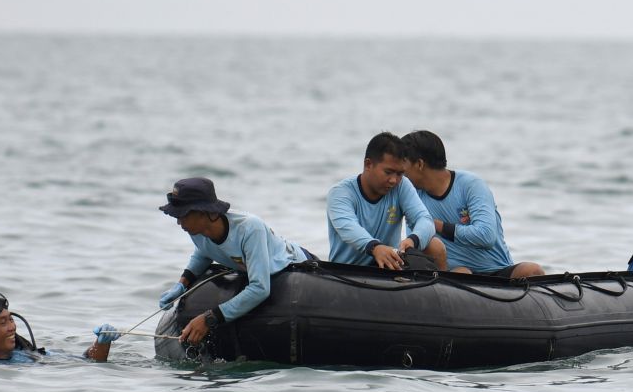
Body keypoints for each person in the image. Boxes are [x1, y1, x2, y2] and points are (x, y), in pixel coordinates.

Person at [158, 177, 313, 345]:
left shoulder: (249, 229)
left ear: (204, 212)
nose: (179, 221)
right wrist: (181, 284)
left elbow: (260, 289)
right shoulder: (196, 230)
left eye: (182, 215)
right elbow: (203, 252)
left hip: (297, 265)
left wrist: (208, 319)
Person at [400, 130, 545, 279]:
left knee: (533, 270)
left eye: (402, 166)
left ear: (419, 164)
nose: (399, 174)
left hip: (497, 271)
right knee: (462, 271)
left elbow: (486, 235)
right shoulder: (412, 196)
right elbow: (418, 244)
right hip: (453, 274)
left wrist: (437, 225)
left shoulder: (471, 184)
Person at [326, 132, 447, 270]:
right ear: (368, 164)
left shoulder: (402, 186)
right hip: (347, 271)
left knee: (434, 246)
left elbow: (424, 219)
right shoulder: (340, 193)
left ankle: (439, 287)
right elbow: (348, 227)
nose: (394, 180)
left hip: (387, 268)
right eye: (388, 172)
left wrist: (413, 240)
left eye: (400, 173)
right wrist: (375, 248)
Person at [0, 291, 118, 364]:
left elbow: (84, 362)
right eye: (3, 323)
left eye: (10, 320)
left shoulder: (24, 353)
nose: (12, 328)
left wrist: (102, 344)